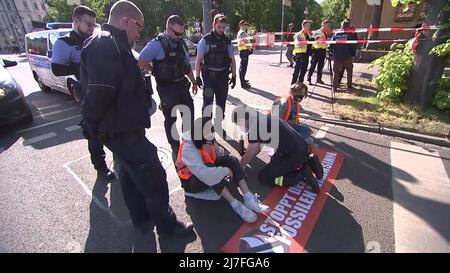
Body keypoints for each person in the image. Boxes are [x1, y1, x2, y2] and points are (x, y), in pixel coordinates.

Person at [80, 0, 194, 236]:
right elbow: (100, 89)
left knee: (130, 176)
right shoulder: (105, 44)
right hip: (122, 129)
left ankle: (141, 219)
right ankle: (168, 226)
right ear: (126, 20)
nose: (140, 31)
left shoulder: (113, 43)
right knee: (154, 175)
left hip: (122, 126)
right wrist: (89, 122)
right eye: (139, 26)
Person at [52, 5, 114, 181]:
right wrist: (82, 67)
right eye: (88, 23)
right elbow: (56, 68)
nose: (91, 27)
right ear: (76, 21)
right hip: (87, 93)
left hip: (104, 91)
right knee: (94, 132)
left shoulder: (94, 39)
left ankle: (120, 159)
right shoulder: (65, 43)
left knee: (114, 125)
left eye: (94, 24)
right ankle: (101, 167)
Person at [176, 117, 269, 223]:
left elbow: (218, 154)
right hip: (191, 183)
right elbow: (204, 173)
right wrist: (225, 170)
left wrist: (233, 165)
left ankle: (249, 198)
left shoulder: (208, 138)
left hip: (205, 171)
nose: (212, 135)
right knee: (211, 170)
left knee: (230, 159)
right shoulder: (188, 148)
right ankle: (235, 204)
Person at [138, 15, 198, 152]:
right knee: (171, 119)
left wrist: (194, 82)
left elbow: (186, 66)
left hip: (182, 86)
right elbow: (141, 60)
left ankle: (188, 143)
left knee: (189, 114)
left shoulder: (181, 44)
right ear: (167, 28)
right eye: (177, 33)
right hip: (166, 90)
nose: (179, 36)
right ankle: (175, 146)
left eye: (182, 33)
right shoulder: (156, 44)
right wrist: (154, 71)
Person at [232, 106, 323, 193]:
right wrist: (247, 157)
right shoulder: (260, 117)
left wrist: (239, 167)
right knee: (274, 161)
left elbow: (252, 151)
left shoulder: (254, 128)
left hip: (292, 155)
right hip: (303, 149)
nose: (240, 127)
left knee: (264, 178)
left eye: (239, 124)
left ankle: (300, 175)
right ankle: (309, 161)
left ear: (242, 120)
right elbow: (257, 148)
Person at [195, 14, 236, 124]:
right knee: (207, 104)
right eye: (219, 27)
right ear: (214, 25)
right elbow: (198, 60)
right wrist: (197, 77)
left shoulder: (227, 42)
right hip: (209, 80)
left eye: (224, 27)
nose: (221, 30)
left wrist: (234, 76)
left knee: (221, 104)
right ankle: (206, 126)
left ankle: (218, 124)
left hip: (222, 79)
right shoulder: (205, 40)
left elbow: (232, 59)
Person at [330, 18, 357, 91]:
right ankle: (349, 85)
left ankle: (334, 87)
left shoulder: (336, 33)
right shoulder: (350, 33)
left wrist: (331, 52)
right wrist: (353, 53)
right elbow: (353, 44)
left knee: (336, 72)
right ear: (348, 26)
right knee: (349, 70)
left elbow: (331, 44)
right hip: (347, 55)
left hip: (337, 56)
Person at [307, 20, 332, 85]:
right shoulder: (317, 32)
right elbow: (313, 39)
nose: (328, 27)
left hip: (323, 50)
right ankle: (308, 78)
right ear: (323, 25)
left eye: (329, 26)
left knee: (320, 66)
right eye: (327, 26)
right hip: (316, 50)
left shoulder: (326, 33)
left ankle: (319, 79)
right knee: (313, 65)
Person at [291, 20, 313, 85]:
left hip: (306, 54)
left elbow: (311, 43)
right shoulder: (298, 34)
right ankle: (293, 84)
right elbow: (300, 44)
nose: (309, 27)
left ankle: (300, 85)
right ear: (304, 26)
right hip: (299, 54)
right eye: (308, 26)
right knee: (297, 71)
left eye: (309, 26)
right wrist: (308, 41)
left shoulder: (309, 34)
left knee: (304, 70)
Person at [237, 20, 252, 89]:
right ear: (241, 25)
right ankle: (243, 83)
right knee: (243, 68)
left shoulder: (242, 32)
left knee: (242, 67)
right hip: (244, 51)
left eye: (246, 25)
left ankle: (243, 80)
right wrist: (250, 49)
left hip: (243, 51)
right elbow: (245, 42)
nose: (246, 26)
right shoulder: (242, 33)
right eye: (245, 25)